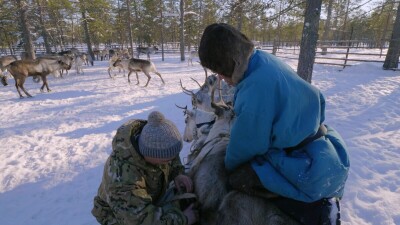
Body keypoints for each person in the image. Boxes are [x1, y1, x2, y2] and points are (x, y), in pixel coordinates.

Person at [198, 23, 350, 225]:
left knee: (238, 179)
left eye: (222, 72)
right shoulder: (262, 60)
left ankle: (304, 209)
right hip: (324, 148)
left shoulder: (254, 89)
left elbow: (248, 143)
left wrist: (227, 167)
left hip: (306, 166)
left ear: (232, 63)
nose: (221, 78)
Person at [91, 111, 198, 225]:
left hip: (150, 196)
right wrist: (183, 219)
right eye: (166, 160)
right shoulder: (123, 180)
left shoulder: (151, 146)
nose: (170, 161)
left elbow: (172, 157)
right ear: (151, 154)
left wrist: (177, 173)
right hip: (119, 216)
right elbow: (142, 222)